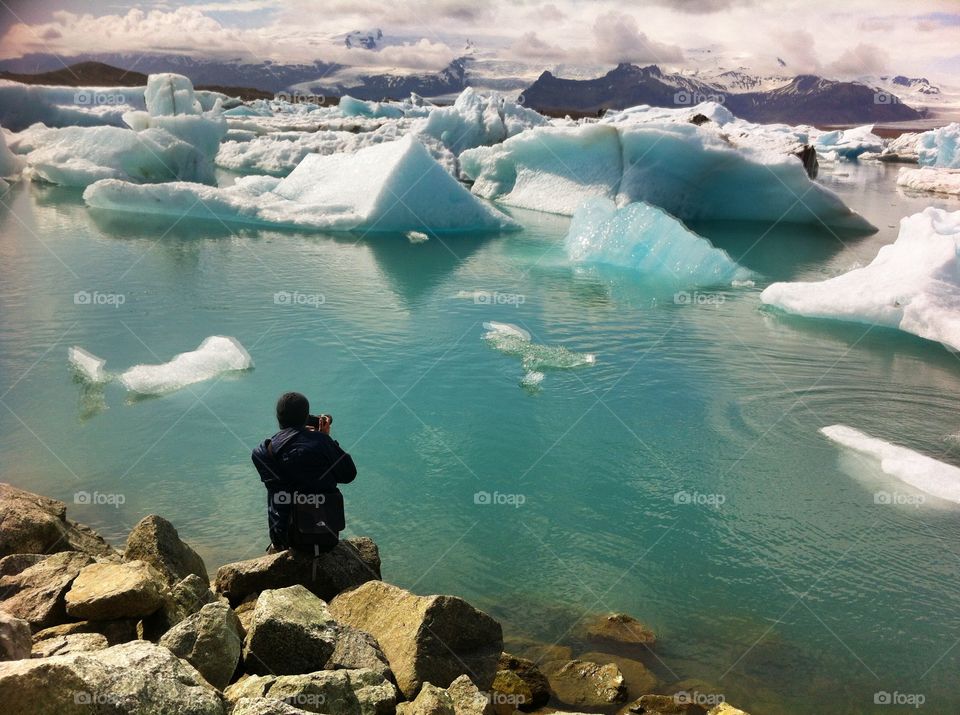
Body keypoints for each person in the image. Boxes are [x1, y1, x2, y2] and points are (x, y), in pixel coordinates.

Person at [252, 391, 356, 554]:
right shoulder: (323, 443)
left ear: (279, 419)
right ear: (306, 417)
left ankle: (276, 547)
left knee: (278, 494)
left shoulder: (264, 452)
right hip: (327, 534)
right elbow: (348, 475)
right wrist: (326, 439)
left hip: (287, 539)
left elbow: (287, 476)